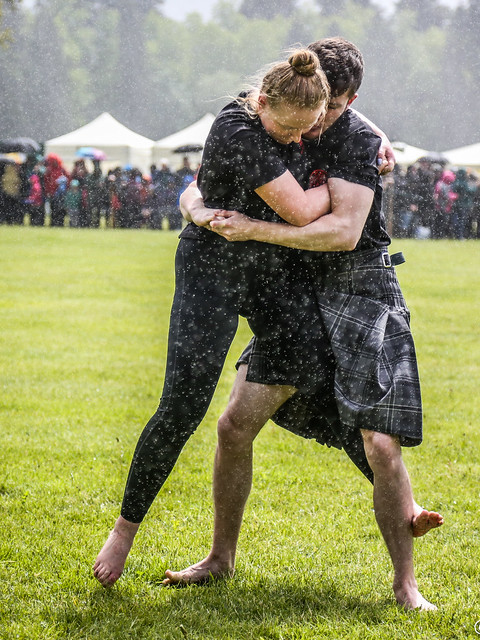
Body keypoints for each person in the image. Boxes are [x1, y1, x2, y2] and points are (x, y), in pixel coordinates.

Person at [164, 37, 442, 612]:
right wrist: (196, 207)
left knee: (380, 444)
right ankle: (220, 558)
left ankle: (406, 586)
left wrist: (254, 230)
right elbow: (208, 179)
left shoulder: (359, 139)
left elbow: (341, 232)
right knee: (234, 426)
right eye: (317, 107)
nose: (318, 123)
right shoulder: (278, 119)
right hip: (297, 294)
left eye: (333, 109)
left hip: (362, 290)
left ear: (350, 101)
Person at [93, 48, 337, 589]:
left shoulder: (296, 117)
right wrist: (347, 190)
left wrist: (376, 147)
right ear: (262, 101)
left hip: (272, 271)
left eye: (309, 129)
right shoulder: (238, 127)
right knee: (183, 404)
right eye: (288, 130)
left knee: (329, 369)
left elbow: (341, 129)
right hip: (214, 269)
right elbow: (298, 210)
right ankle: (125, 531)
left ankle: (398, 494)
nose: (298, 140)